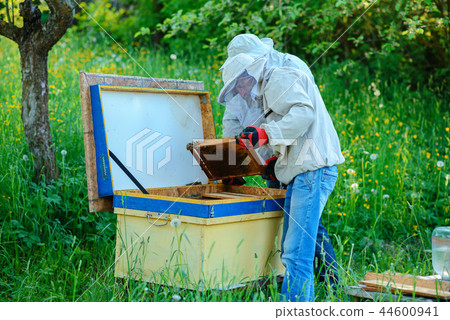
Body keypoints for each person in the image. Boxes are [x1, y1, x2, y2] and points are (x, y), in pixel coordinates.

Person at [218, 36, 344, 302]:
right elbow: (292, 129)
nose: (240, 92)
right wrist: (276, 158)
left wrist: (265, 135)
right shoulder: (270, 81)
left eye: (240, 84)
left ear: (249, 71)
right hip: (304, 169)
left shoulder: (278, 75)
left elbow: (303, 114)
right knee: (293, 251)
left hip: (312, 170)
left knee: (296, 253)